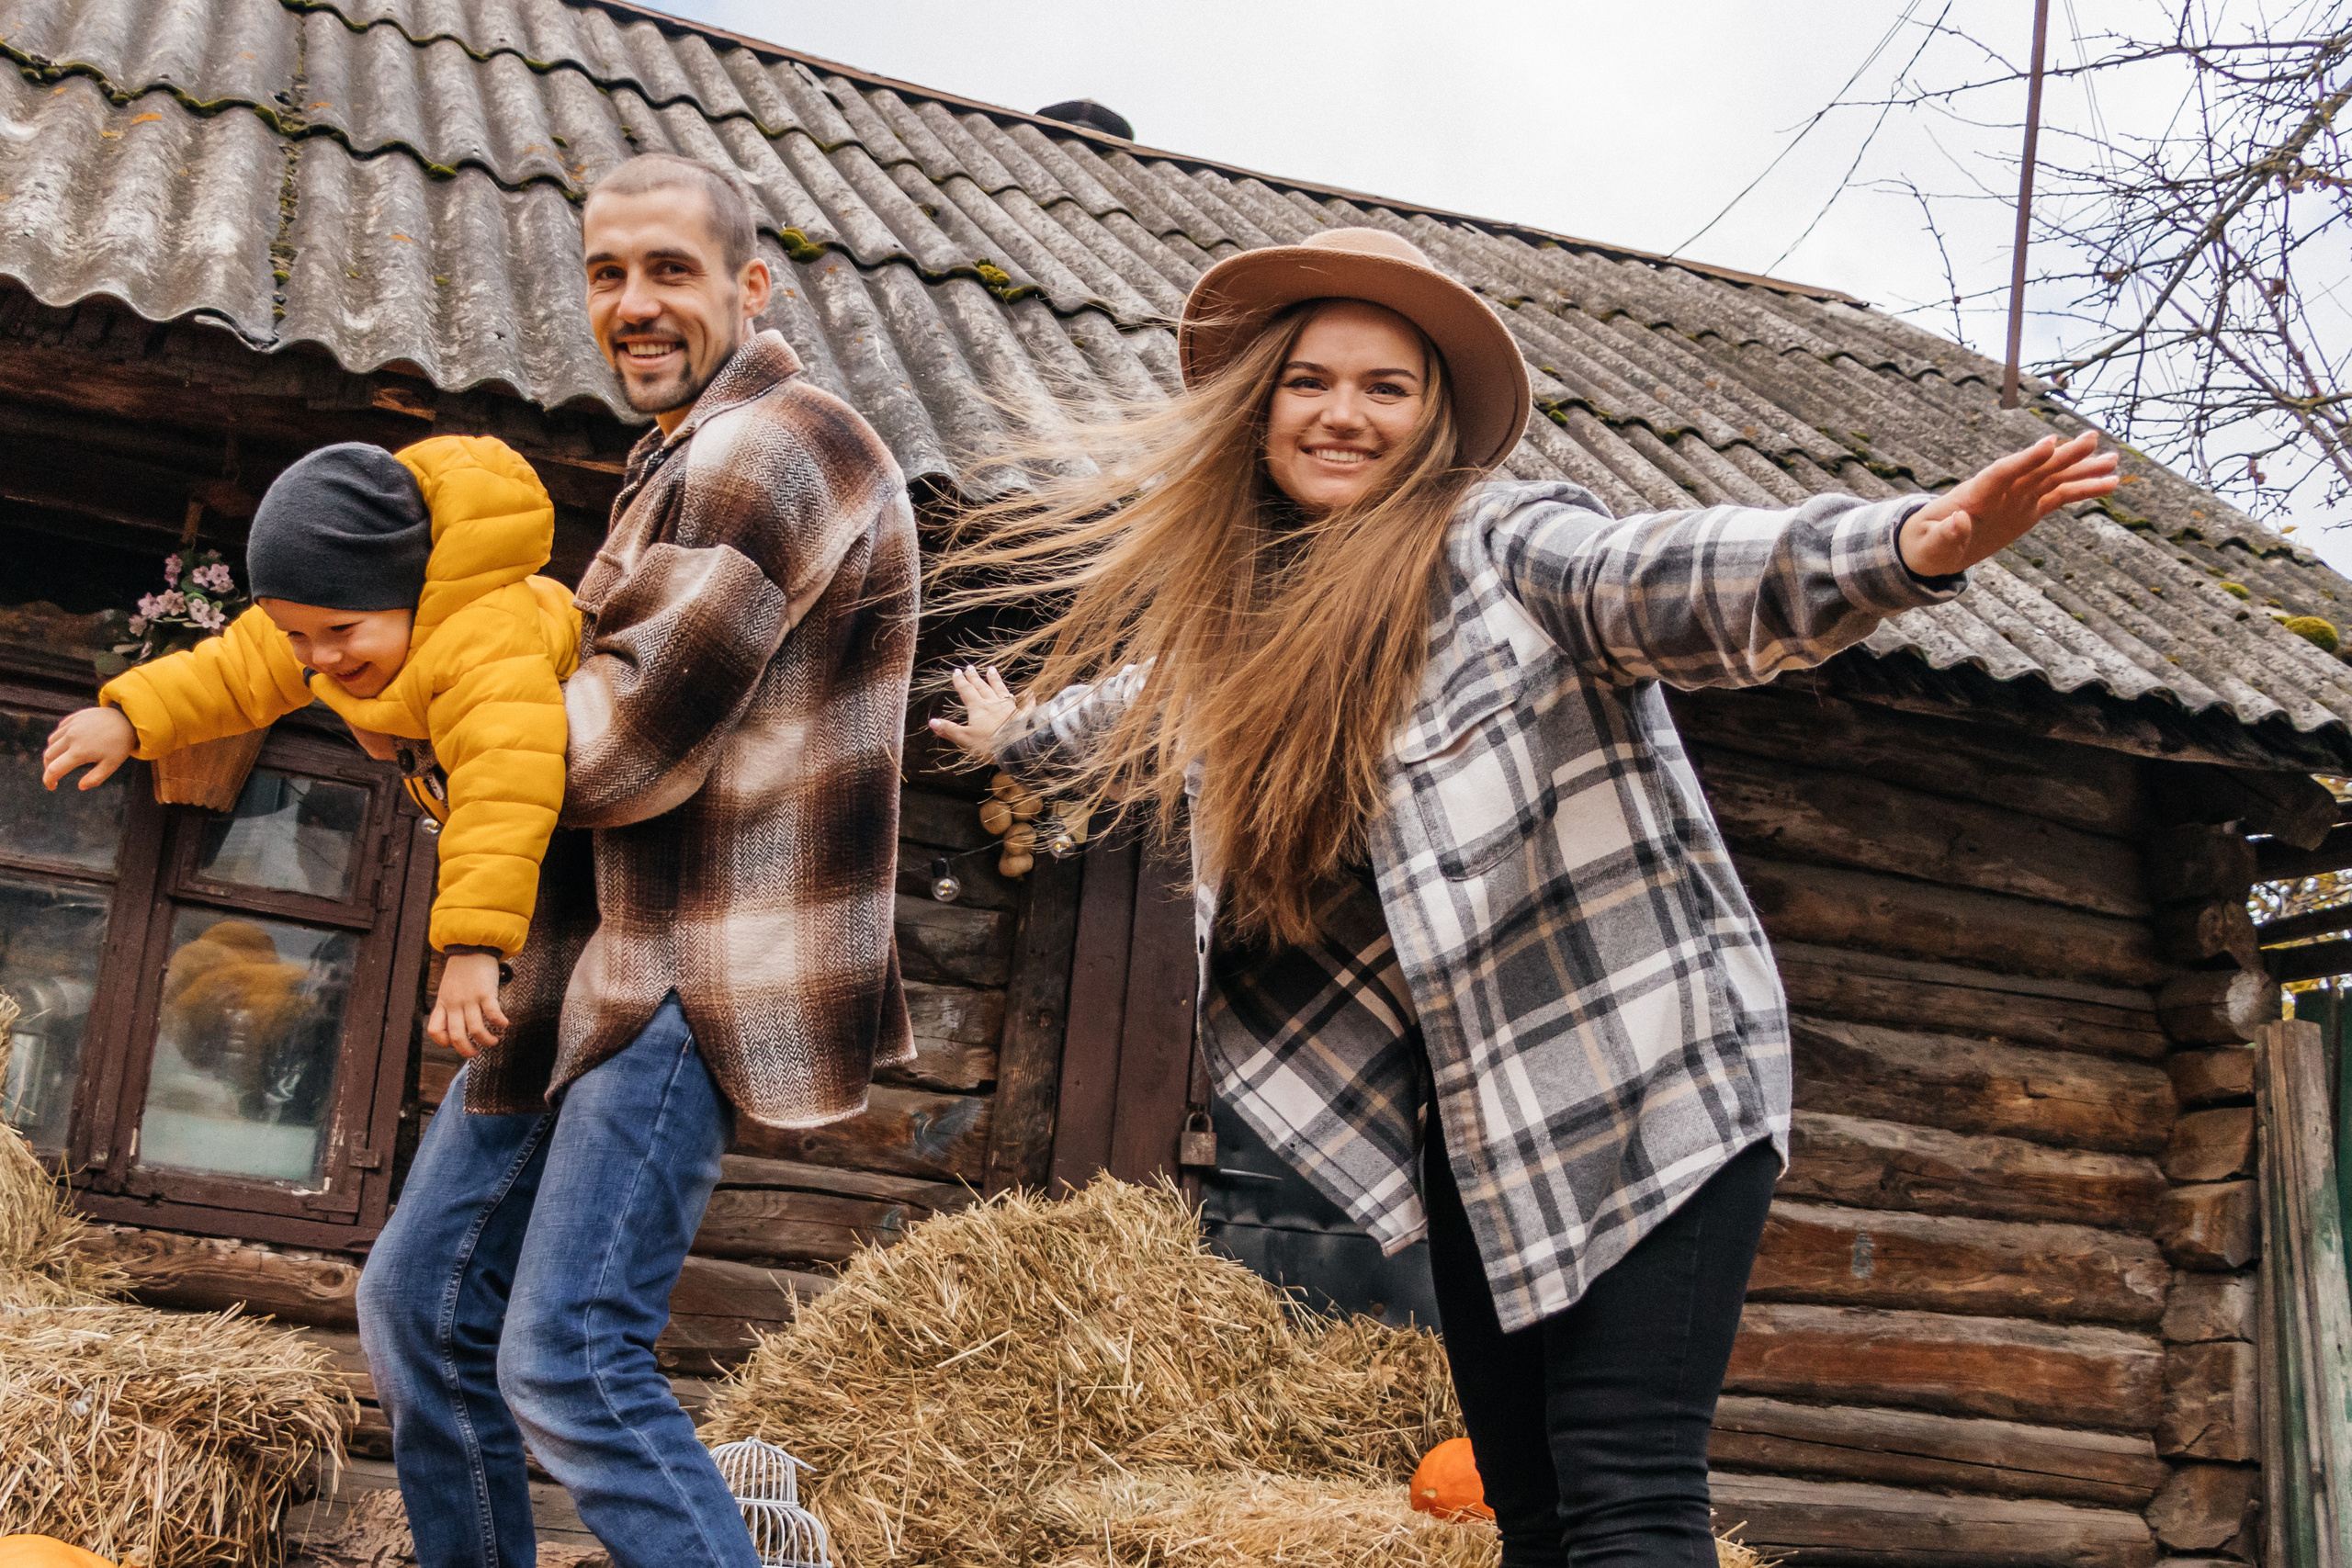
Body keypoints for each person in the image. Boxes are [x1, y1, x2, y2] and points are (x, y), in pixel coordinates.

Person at [931, 227, 2118, 1568]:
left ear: (1433, 420)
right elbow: (1134, 709)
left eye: (1387, 386)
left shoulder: (1502, 540)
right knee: (1527, 1503)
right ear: (1259, 405)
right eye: (1311, 380)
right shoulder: (1241, 630)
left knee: (1624, 1486)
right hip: (1484, 1114)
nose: (1343, 412)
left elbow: (1664, 576)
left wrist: (1913, 541)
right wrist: (1012, 735)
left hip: (1653, 1067)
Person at [353, 154, 919, 1568]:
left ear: (748, 285)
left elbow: (613, 746)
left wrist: (413, 703)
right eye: (608, 272)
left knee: (567, 1356)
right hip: (590, 952)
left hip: (692, 963)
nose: (634, 302)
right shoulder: (670, 461)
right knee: (421, 1306)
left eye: (670, 270)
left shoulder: (772, 447)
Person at [42, 436, 576, 1055]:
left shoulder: (484, 646)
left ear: (412, 594)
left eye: (341, 631)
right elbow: (233, 670)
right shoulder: (327, 620)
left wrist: (474, 947)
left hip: (571, 822)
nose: (320, 655)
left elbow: (503, 791)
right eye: (295, 634)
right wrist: (129, 718)